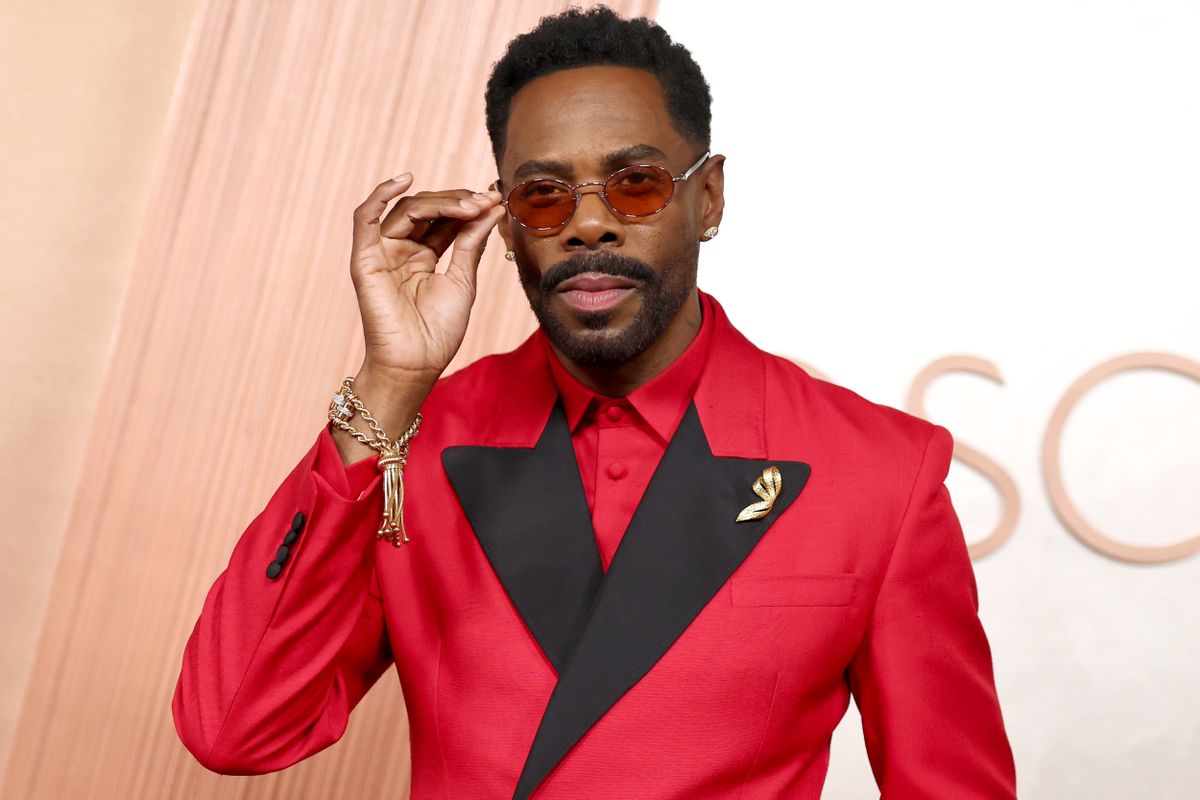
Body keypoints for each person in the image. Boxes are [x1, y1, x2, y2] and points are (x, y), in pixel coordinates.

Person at [172, 6, 1017, 798]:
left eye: (637, 184)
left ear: (708, 197)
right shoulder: (413, 444)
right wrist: (389, 382)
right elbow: (235, 727)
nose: (590, 226)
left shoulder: (878, 472)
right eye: (544, 195)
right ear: (504, 226)